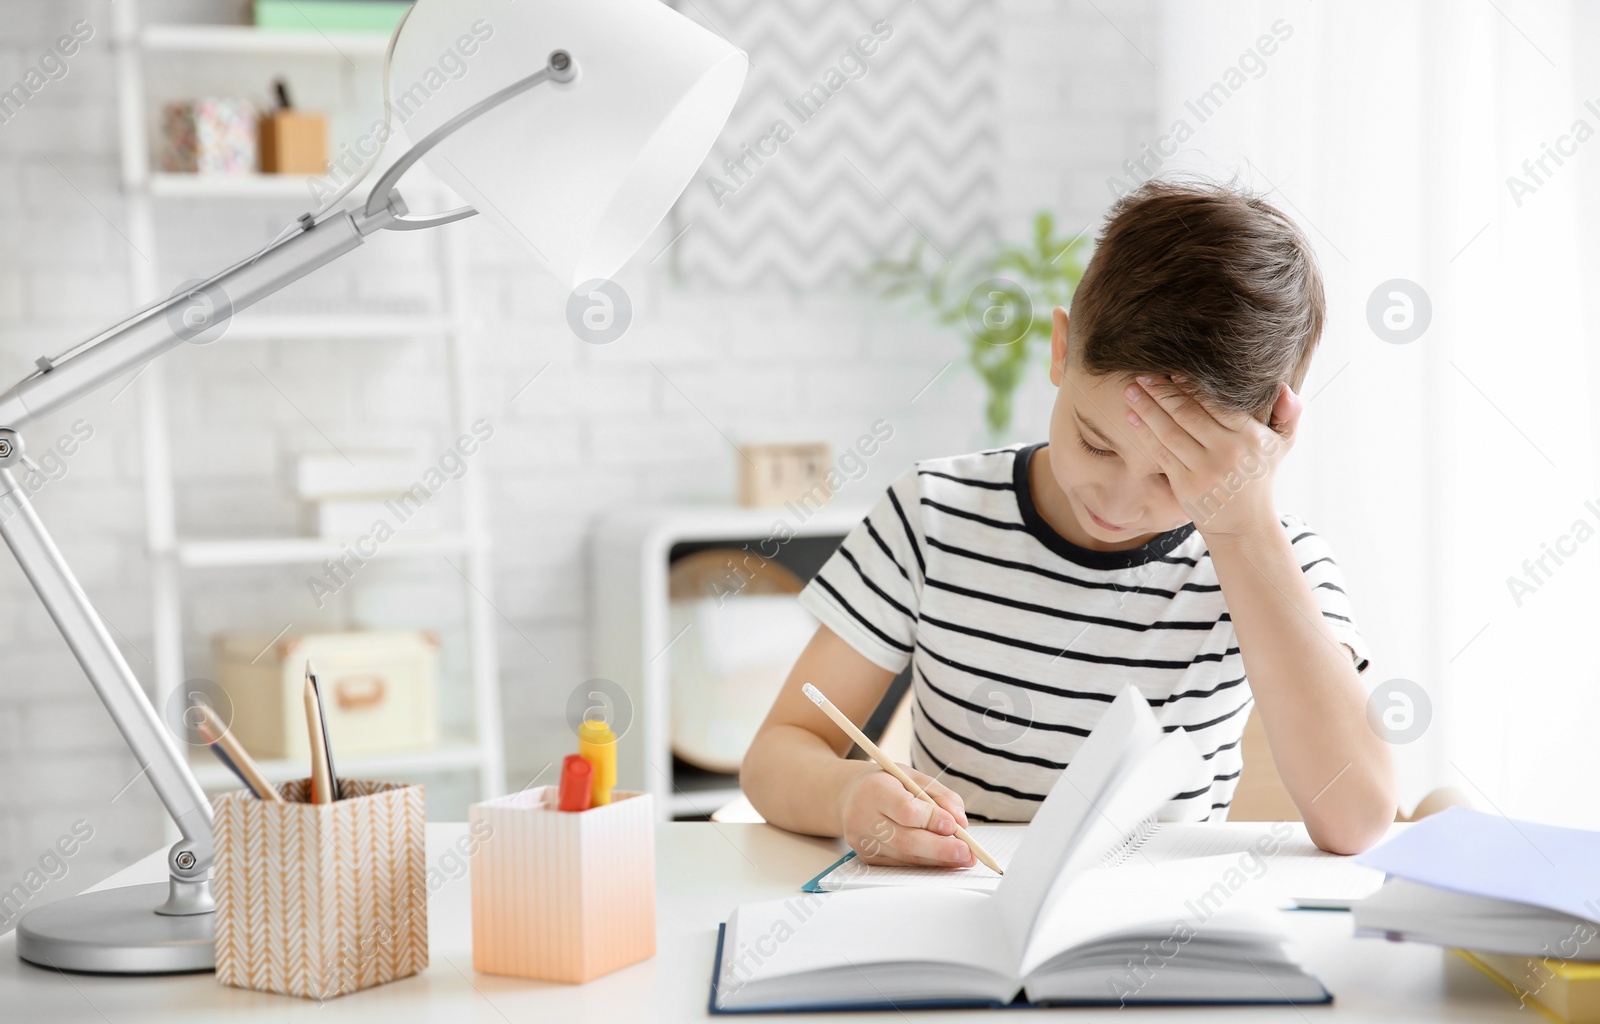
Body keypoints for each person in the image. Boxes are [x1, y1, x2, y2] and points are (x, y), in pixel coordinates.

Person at [741, 179, 1396, 865]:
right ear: (1060, 351)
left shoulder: (1277, 558)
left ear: (1264, 445)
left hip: (1156, 945)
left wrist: (1245, 530)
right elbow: (777, 754)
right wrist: (850, 795)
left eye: (1177, 477)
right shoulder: (932, 515)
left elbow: (1355, 819)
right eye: (1096, 442)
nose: (1116, 502)